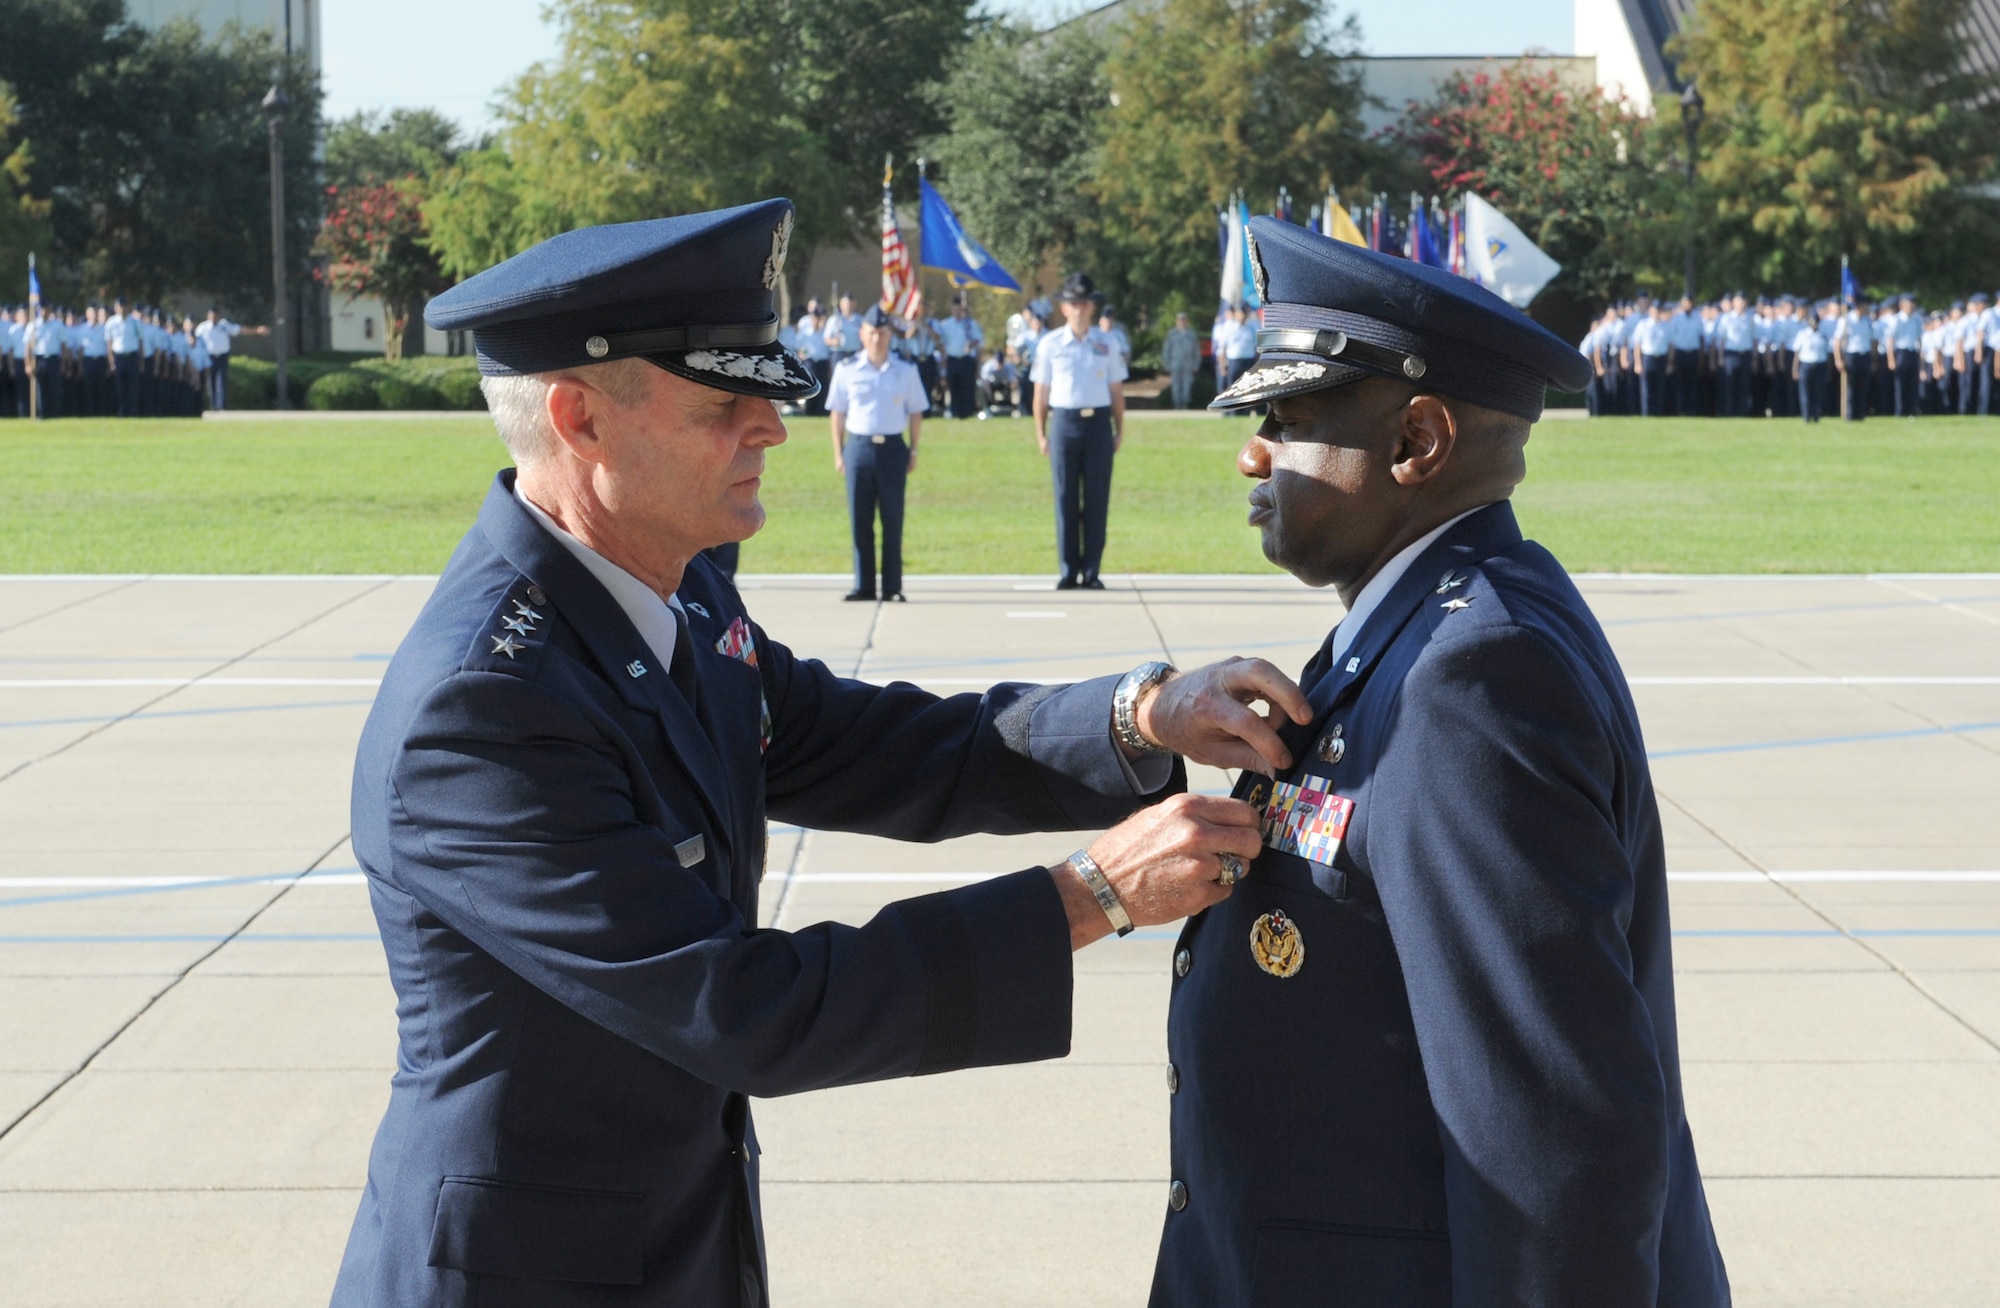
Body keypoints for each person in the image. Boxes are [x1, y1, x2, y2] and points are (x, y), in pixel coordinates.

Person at [346, 197, 1308, 1307]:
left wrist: (1138, 714)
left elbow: (859, 742)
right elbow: (741, 1010)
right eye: (723, 402)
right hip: (524, 1271)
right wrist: (1090, 896)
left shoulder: (678, 588)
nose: (770, 428)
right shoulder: (485, 708)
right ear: (580, 419)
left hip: (673, 1242)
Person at [1162, 214, 1731, 1307]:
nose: (1250, 452)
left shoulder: (1472, 681)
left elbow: (1548, 1154)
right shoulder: (1425, 621)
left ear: (1415, 444)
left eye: (1285, 420)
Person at [1032, 272, 1128, 590]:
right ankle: (1067, 569)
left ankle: (1092, 571)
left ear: (1092, 307)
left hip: (1098, 423)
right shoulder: (1050, 344)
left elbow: (1116, 390)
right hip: (1064, 423)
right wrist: (1041, 433)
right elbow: (1041, 393)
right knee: (1065, 498)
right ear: (1064, 308)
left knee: (1097, 499)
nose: (1080, 309)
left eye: (1085, 303)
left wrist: (1119, 428)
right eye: (1074, 304)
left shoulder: (1107, 342)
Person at [828, 303, 927, 603]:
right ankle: (864, 585)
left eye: (882, 333)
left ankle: (893, 586)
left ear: (890, 335)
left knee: (893, 519)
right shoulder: (846, 370)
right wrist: (838, 452)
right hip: (858, 448)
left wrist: (914, 449)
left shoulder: (905, 370)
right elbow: (837, 413)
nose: (877, 339)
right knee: (860, 520)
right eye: (872, 333)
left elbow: (916, 412)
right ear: (862, 334)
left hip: (893, 449)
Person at [937, 295, 983, 419]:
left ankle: (968, 412)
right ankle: (955, 412)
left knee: (967, 387)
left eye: (960, 310)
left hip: (967, 359)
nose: (958, 312)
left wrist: (972, 344)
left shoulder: (970, 324)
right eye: (955, 309)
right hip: (952, 359)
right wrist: (943, 362)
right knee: (954, 387)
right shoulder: (946, 325)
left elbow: (979, 341)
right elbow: (942, 344)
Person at [1832, 298, 1874, 421]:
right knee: (1851, 386)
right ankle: (1850, 414)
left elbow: (1871, 339)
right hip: (1851, 355)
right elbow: (1837, 341)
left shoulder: (1867, 321)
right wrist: (1838, 359)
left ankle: (1860, 414)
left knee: (1863, 386)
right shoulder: (1846, 320)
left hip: (1864, 354)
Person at [194, 306, 239, 411]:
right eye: (212, 315)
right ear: (208, 316)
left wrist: (257, 331)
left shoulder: (224, 326)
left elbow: (239, 330)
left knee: (221, 381)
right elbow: (196, 341)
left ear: (219, 316)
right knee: (211, 381)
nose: (214, 318)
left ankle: (222, 405)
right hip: (209, 357)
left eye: (216, 315)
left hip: (222, 356)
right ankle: (213, 406)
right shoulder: (202, 327)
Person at [1792, 306, 1831, 422]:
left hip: (1820, 365)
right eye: (1812, 322)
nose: (1814, 324)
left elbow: (1827, 354)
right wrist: (1795, 369)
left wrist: (1828, 370)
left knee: (1818, 393)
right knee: (1805, 393)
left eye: (1816, 322)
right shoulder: (1802, 334)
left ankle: (1817, 416)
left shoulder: (1823, 336)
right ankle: (1806, 416)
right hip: (1806, 365)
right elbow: (1797, 354)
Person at [1161, 311, 1201, 410]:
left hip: (1188, 364)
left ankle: (1185, 405)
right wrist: (1166, 363)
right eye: (1180, 320)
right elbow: (1167, 349)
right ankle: (1177, 405)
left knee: (1187, 385)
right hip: (1175, 364)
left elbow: (1196, 350)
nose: (1182, 322)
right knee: (1175, 386)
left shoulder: (1192, 334)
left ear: (1187, 322)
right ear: (1177, 322)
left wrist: (1196, 364)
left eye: (1184, 320)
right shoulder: (1172, 334)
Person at [822, 292, 862, 366]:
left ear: (854, 304)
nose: (848, 306)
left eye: (850, 303)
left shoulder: (859, 319)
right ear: (841, 305)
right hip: (839, 354)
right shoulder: (834, 320)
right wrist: (834, 341)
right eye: (846, 303)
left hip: (855, 354)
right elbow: (826, 339)